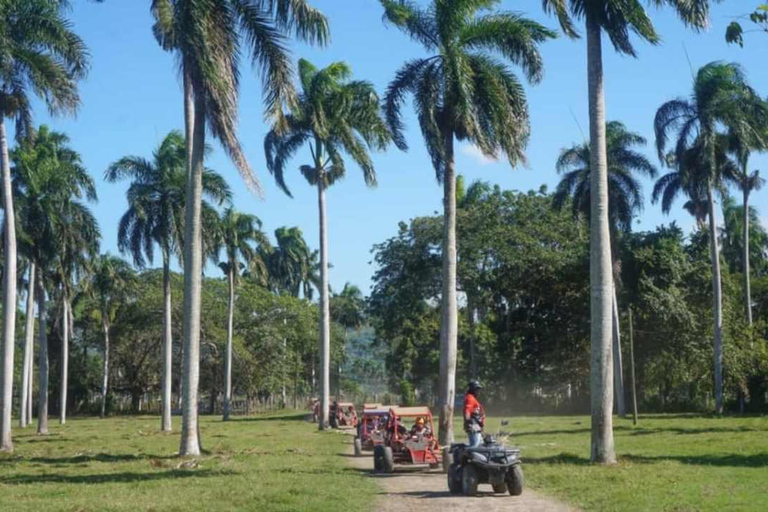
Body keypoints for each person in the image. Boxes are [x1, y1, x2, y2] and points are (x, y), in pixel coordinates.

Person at [463, 380, 485, 447]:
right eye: (477, 389)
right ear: (473, 389)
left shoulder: (472, 398)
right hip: (473, 426)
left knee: (478, 446)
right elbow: (467, 411)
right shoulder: (470, 398)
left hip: (477, 426)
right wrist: (470, 424)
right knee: (474, 447)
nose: (478, 391)